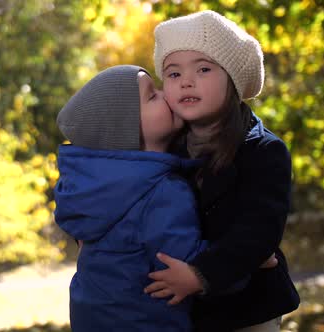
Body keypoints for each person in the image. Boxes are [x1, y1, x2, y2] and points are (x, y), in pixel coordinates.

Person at [144, 10, 300, 332]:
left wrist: (201, 273)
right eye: (173, 74)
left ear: (232, 79)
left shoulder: (263, 151)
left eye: (203, 69)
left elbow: (259, 232)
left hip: (248, 308)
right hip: (188, 311)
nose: (186, 80)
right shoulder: (164, 146)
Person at [53, 65, 208, 331]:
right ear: (125, 129)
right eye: (152, 96)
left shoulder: (91, 188)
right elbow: (183, 260)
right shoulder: (161, 190)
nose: (165, 95)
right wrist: (241, 261)